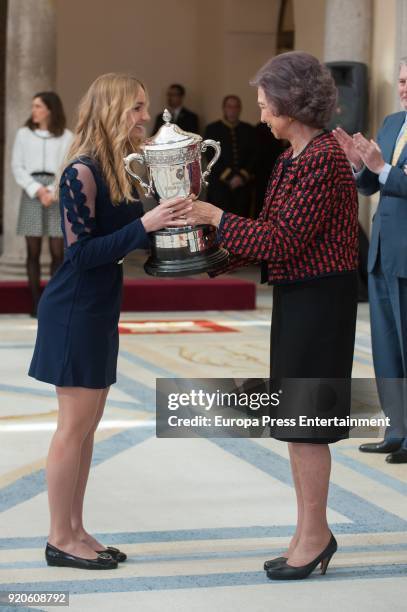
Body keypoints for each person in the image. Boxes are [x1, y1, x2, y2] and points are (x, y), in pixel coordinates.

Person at [174, 52, 359, 580]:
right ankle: (308, 533)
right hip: (298, 296)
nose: (260, 116)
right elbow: (268, 233)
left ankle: (316, 534)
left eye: (265, 105)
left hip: (321, 301)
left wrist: (214, 215)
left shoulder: (322, 158)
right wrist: (203, 259)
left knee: (309, 424)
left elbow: (284, 239)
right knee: (294, 422)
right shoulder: (292, 157)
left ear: (291, 102)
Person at [28, 73, 191, 570]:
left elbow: (125, 240)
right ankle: (59, 537)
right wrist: (146, 224)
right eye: (137, 108)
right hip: (75, 309)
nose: (146, 117)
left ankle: (76, 528)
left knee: (89, 427)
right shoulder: (81, 170)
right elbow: (80, 255)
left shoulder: (117, 166)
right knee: (72, 428)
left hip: (99, 307)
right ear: (113, 109)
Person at [334, 58, 407, 464]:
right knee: (386, 349)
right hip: (382, 252)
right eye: (400, 81)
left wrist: (382, 167)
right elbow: (371, 185)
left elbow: (392, 175)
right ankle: (395, 429)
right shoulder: (393, 122)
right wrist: (360, 165)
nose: (403, 88)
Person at [12, 92, 73, 316]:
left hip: (57, 192)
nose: (33, 110)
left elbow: (68, 166)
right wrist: (38, 190)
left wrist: (52, 190)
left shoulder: (67, 136)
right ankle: (36, 303)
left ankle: (53, 301)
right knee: (33, 251)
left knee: (58, 252)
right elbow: (17, 166)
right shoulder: (23, 134)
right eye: (33, 106)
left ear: (50, 109)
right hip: (31, 191)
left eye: (37, 106)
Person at [204, 95, 256, 217]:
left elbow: (255, 155)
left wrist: (242, 176)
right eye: (229, 106)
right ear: (224, 108)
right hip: (219, 186)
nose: (232, 110)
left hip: (243, 185)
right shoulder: (212, 129)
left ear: (240, 109)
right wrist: (229, 177)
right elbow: (210, 155)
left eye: (236, 107)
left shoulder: (249, 129)